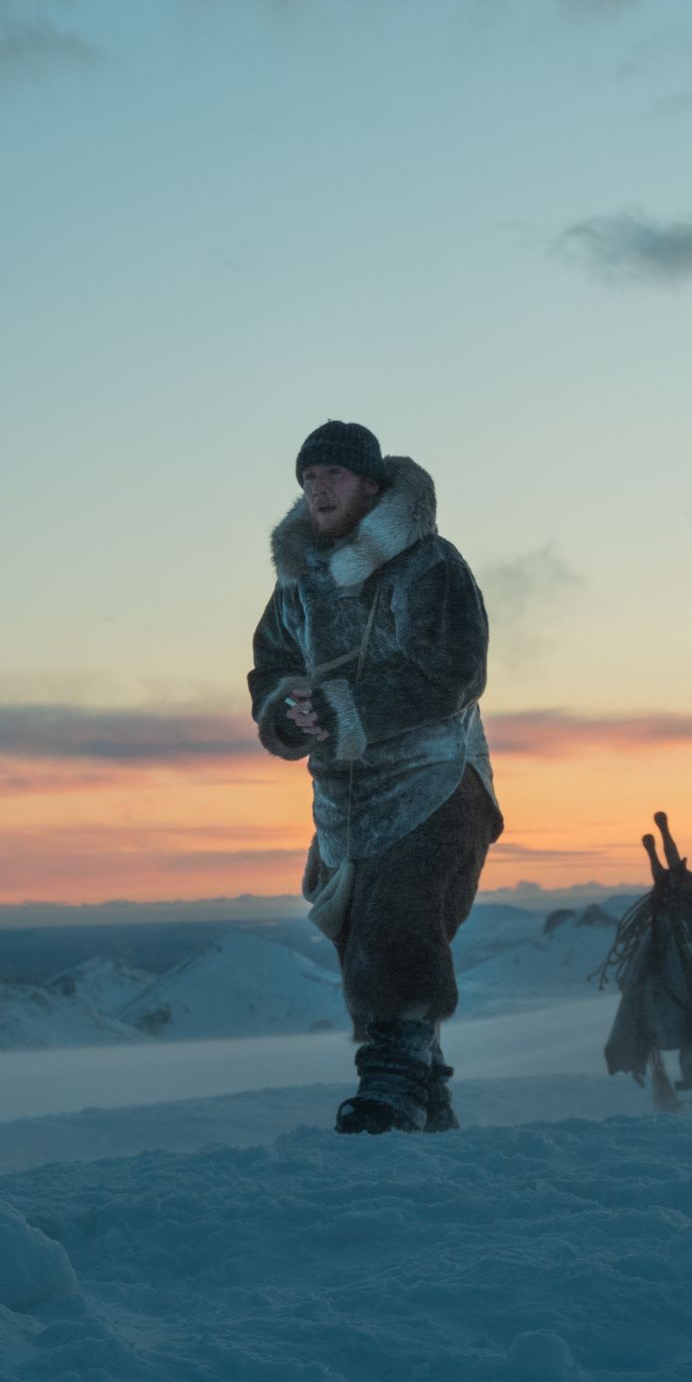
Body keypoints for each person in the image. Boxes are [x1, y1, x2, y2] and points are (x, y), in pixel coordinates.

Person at [248, 421, 503, 1132]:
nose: (316, 488)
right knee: (356, 933)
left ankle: (390, 1084)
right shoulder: (296, 585)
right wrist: (288, 715)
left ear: (369, 484)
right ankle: (426, 1094)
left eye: (331, 474)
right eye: (306, 477)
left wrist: (342, 705)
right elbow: (269, 663)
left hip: (434, 782)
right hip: (343, 795)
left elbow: (454, 672)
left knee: (399, 925)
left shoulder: (430, 565)